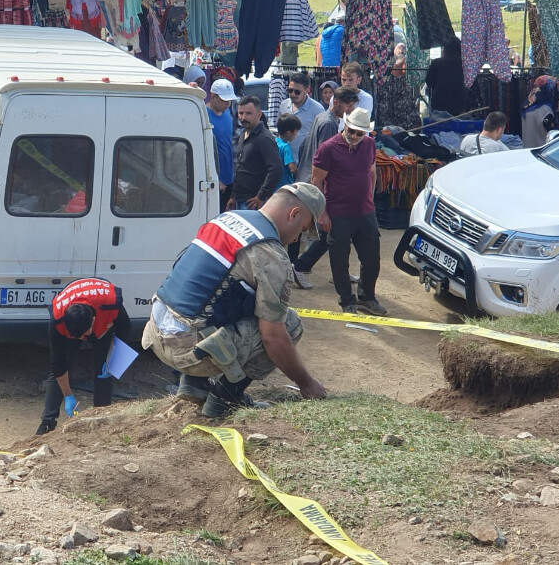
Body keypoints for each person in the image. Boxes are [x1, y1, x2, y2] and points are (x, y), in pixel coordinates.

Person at [142, 185, 328, 418]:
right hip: (186, 350)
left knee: (229, 298)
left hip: (156, 332)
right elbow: (273, 338)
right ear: (294, 214)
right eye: (302, 229)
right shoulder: (270, 254)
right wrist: (306, 383)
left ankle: (194, 384)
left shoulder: (226, 218)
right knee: (290, 324)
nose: (297, 238)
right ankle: (225, 399)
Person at [311, 107, 386, 316]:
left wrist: (370, 198)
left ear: (366, 133)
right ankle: (346, 299)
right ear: (345, 125)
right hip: (338, 213)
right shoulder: (328, 148)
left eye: (359, 133)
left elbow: (372, 172)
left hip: (365, 212)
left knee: (372, 258)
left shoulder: (369, 144)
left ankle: (366, 297)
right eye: (351, 131)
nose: (353, 136)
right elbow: (316, 181)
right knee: (339, 260)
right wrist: (322, 213)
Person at [35, 277, 132, 435]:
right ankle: (47, 422)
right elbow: (57, 362)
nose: (82, 339)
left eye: (84, 335)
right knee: (61, 366)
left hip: (102, 324)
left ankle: (100, 420)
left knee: (102, 371)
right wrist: (68, 396)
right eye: (78, 336)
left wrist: (116, 361)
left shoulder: (110, 304)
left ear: (93, 321)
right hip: (77, 322)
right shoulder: (57, 319)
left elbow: (125, 329)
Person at [290, 86, 360, 288]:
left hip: (308, 178)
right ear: (336, 103)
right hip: (318, 183)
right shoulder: (329, 123)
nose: (350, 109)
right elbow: (327, 159)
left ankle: (337, 272)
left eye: (352, 105)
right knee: (330, 232)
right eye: (348, 105)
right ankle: (299, 267)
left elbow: (304, 146)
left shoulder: (322, 117)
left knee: (331, 233)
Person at [228, 96, 280, 211]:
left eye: (248, 113)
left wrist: (261, 196)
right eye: (241, 113)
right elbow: (241, 168)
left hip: (254, 202)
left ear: (259, 114)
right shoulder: (243, 134)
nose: (243, 117)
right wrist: (233, 196)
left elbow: (276, 170)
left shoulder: (264, 138)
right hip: (240, 199)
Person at [205, 79, 238, 213]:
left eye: (229, 100)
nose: (228, 103)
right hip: (214, 181)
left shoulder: (227, 113)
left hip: (229, 177)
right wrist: (214, 178)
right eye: (224, 100)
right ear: (213, 96)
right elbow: (203, 151)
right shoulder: (204, 116)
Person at [278, 72, 323, 162]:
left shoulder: (317, 110)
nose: (293, 94)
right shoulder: (284, 105)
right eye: (290, 91)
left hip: (305, 162)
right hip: (283, 160)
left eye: (297, 92)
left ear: (307, 90)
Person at [425, 38, 466, 117]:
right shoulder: (464, 64)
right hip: (459, 103)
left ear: (445, 49)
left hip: (439, 102)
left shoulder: (436, 63)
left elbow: (429, 82)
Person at [522, 76, 556, 148]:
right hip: (542, 149)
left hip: (527, 148)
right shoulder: (546, 109)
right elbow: (551, 132)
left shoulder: (526, 106)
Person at [275, 114, 301, 188]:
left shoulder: (274, 142)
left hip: (274, 184)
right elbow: (292, 168)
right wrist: (298, 174)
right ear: (289, 133)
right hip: (286, 185)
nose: (296, 134)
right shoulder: (285, 147)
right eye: (296, 131)